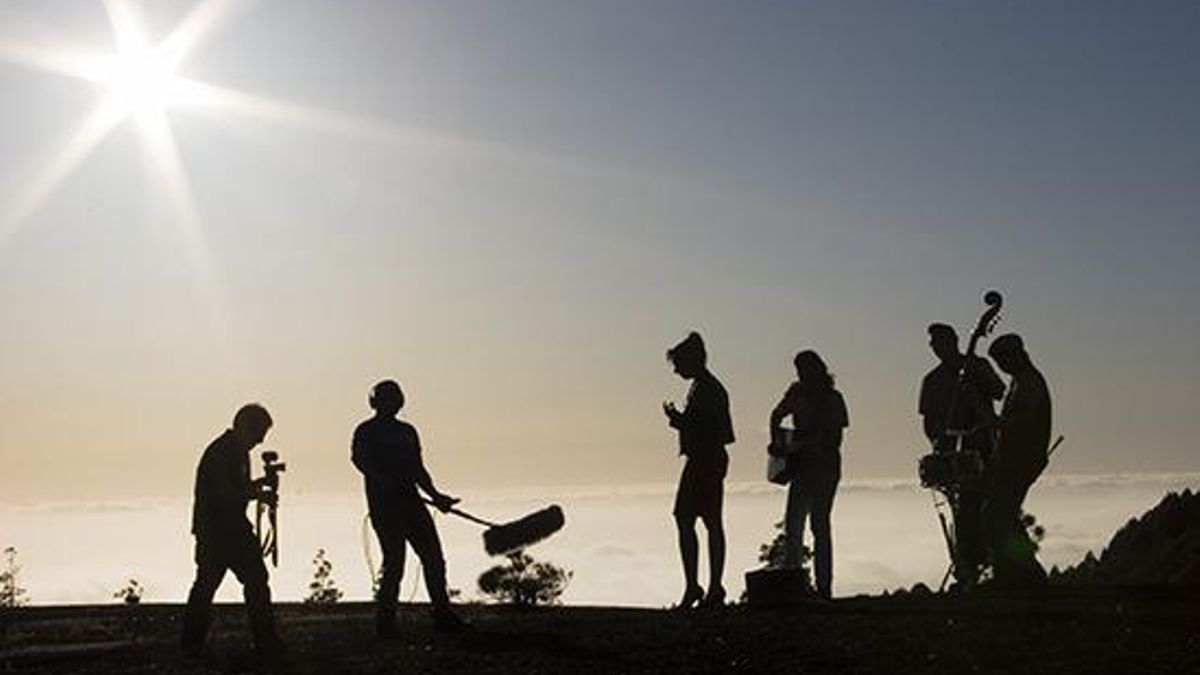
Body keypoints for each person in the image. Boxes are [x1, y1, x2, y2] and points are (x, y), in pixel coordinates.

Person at [352, 380, 465, 636]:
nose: (391, 402)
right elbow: (361, 461)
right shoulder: (366, 431)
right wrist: (383, 482)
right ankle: (386, 624)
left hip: (412, 502)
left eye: (394, 398)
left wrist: (436, 496)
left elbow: (418, 469)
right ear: (376, 402)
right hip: (385, 507)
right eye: (386, 398)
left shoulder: (407, 432)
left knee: (434, 558)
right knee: (395, 563)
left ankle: (442, 615)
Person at [181, 403, 284, 661]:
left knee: (242, 582)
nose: (260, 440)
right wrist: (256, 492)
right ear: (245, 427)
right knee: (213, 584)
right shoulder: (222, 452)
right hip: (218, 531)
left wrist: (257, 488)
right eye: (259, 432)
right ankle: (262, 641)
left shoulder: (234, 451)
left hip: (228, 528)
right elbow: (224, 493)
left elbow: (234, 488)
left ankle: (263, 641)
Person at [918, 323, 1005, 587]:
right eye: (933, 343)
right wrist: (940, 438)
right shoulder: (932, 380)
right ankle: (967, 568)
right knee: (960, 512)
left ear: (953, 341)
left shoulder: (977, 366)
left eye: (939, 341)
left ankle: (997, 568)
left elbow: (999, 391)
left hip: (984, 448)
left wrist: (976, 384)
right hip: (951, 456)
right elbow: (929, 423)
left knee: (991, 508)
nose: (936, 348)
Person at [663, 332, 735, 609]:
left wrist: (678, 421)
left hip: (705, 460)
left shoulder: (709, 390)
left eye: (679, 363)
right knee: (701, 521)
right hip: (706, 460)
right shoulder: (704, 388)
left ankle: (705, 586)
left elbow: (711, 430)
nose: (676, 369)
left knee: (699, 520)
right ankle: (704, 586)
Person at [768, 350, 848, 599]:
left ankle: (822, 586)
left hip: (823, 466)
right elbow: (776, 414)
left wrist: (799, 444)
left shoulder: (832, 398)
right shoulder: (799, 393)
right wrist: (779, 443)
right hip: (804, 465)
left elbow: (835, 437)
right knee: (795, 524)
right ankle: (796, 584)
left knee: (817, 524)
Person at [984, 334, 1051, 588]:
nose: (1002, 366)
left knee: (997, 514)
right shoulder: (1021, 381)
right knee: (1001, 515)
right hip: (1019, 458)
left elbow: (1022, 422)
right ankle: (1013, 573)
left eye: (1003, 360)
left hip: (1021, 459)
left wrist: (994, 422)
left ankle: (1026, 573)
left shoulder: (1029, 383)